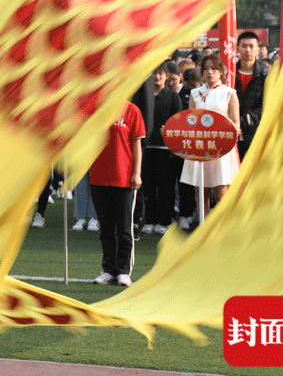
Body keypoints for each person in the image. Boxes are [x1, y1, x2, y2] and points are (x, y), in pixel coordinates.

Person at [89, 100, 146, 286]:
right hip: (99, 176)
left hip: (124, 177)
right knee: (106, 228)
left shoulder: (132, 110)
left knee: (124, 228)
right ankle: (108, 269)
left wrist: (137, 172)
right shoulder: (96, 107)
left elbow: (137, 144)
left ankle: (123, 270)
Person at [179, 54, 240, 217]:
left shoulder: (229, 93)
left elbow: (236, 124)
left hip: (222, 149)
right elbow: (189, 120)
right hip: (199, 148)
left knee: (221, 193)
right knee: (201, 194)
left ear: (221, 71)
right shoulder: (195, 93)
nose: (209, 72)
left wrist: (225, 132)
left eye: (213, 68)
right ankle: (203, 232)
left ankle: (224, 229)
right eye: (206, 69)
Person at [141, 61, 183, 235]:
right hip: (147, 148)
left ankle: (165, 221)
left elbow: (179, 120)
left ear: (166, 76)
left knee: (166, 187)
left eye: (161, 73)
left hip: (167, 150)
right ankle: (149, 220)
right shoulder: (143, 95)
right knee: (148, 187)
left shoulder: (173, 96)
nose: (157, 77)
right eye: (153, 73)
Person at [232, 31, 267, 163]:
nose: (248, 50)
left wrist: (245, 119)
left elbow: (266, 106)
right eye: (244, 46)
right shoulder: (229, 73)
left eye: (252, 46)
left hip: (254, 133)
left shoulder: (265, 76)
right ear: (237, 48)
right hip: (230, 132)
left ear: (258, 49)